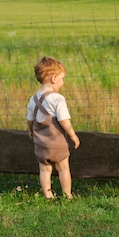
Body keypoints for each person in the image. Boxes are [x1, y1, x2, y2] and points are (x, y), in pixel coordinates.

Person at [27, 56, 80, 199]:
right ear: (54, 79)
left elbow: (30, 120)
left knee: (44, 170)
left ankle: (48, 194)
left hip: (41, 144)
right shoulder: (58, 99)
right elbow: (64, 121)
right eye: (62, 79)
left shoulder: (33, 99)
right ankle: (67, 194)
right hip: (57, 144)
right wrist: (73, 135)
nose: (62, 83)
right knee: (63, 169)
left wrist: (31, 132)